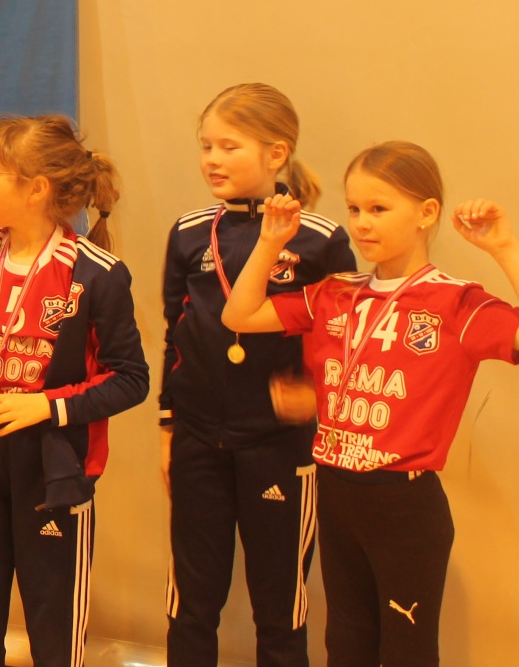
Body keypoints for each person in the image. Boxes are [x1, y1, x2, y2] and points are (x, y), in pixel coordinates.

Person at [222, 142, 519, 667]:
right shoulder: (336, 292)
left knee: (406, 652)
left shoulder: (455, 301)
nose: (361, 223)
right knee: (347, 644)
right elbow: (238, 315)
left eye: (379, 208)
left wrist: (503, 248)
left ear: (426, 213)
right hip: (337, 493)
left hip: (404, 504)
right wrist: (270, 242)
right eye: (354, 208)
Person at [0, 115, 149, 667]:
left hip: (54, 468)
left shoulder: (97, 273)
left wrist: (44, 406)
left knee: (54, 627)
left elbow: (130, 379)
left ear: (36, 189)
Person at [160, 85, 354, 666]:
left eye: (229, 146)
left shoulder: (320, 239)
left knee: (279, 606)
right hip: (198, 440)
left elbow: (346, 339)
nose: (212, 160)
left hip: (279, 444)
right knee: (191, 602)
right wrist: (169, 426)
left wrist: (317, 394)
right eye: (206, 146)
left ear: (276, 153)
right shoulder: (189, 232)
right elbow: (174, 333)